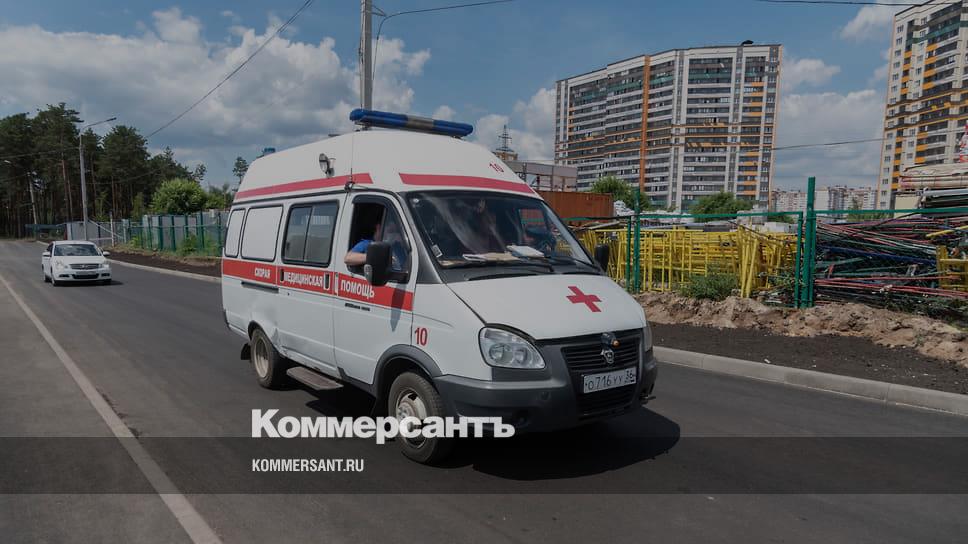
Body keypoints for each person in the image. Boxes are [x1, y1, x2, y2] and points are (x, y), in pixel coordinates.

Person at [344, 215, 408, 270]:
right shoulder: (368, 244)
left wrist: (404, 244)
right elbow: (348, 258)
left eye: (396, 231)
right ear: (379, 228)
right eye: (391, 231)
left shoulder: (397, 246)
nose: (393, 234)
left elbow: (405, 267)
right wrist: (377, 257)